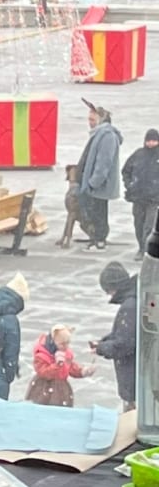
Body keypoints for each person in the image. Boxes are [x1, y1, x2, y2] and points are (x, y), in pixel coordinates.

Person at [75, 100, 122, 251]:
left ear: (101, 120)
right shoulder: (99, 134)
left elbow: (103, 163)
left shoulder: (106, 136)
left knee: (99, 213)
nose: (89, 123)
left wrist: (92, 183)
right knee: (94, 213)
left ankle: (99, 240)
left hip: (99, 186)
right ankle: (95, 238)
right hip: (94, 185)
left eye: (92, 120)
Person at [90, 261, 138, 412]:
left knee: (132, 418)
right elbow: (127, 333)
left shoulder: (130, 306)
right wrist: (105, 341)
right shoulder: (137, 297)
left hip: (133, 374)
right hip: (138, 372)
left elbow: (125, 344)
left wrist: (102, 348)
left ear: (113, 288)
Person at [26, 325, 91, 407]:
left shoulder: (66, 354)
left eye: (68, 343)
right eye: (62, 344)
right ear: (53, 342)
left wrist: (82, 371)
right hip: (43, 387)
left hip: (62, 388)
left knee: (63, 411)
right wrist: (56, 365)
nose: (66, 346)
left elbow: (70, 367)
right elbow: (43, 373)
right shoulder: (41, 355)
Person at [122, 128, 159, 259]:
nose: (151, 143)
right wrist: (129, 185)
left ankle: (146, 250)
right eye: (149, 140)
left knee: (149, 226)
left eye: (154, 141)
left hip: (154, 199)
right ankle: (141, 247)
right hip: (138, 197)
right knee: (138, 224)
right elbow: (126, 170)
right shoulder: (138, 154)